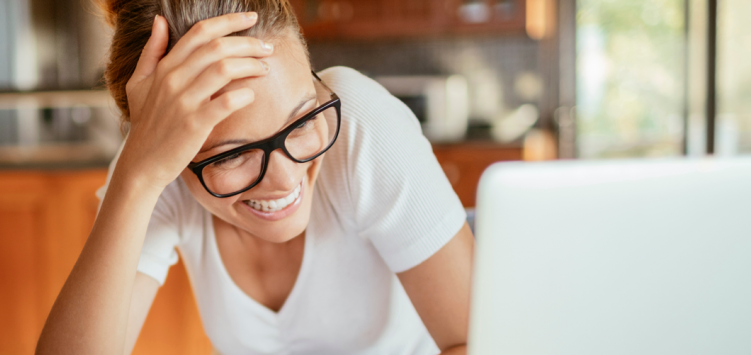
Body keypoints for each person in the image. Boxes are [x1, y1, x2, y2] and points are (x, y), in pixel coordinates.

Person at [36, 0, 475, 353]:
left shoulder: (359, 123)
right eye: (233, 156)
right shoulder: (154, 171)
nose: (285, 180)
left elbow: (474, 341)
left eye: (302, 122)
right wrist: (134, 180)